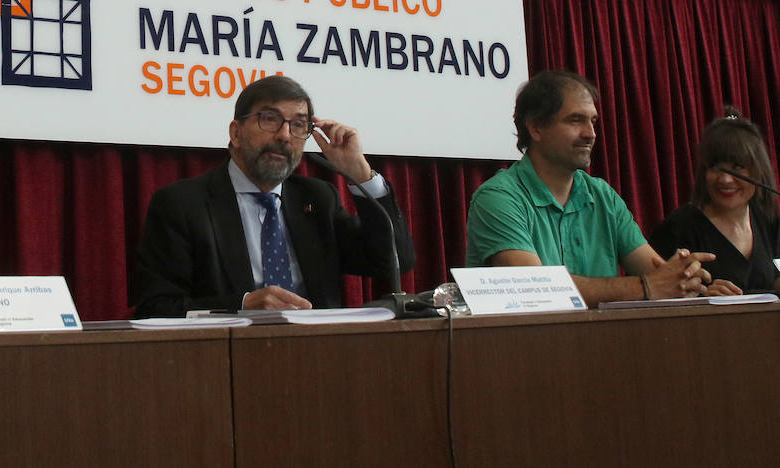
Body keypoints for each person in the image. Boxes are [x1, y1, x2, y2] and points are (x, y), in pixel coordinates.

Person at [133, 74, 414, 318]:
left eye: (298, 125)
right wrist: (241, 306)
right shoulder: (183, 204)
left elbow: (393, 260)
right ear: (236, 133)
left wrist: (360, 173)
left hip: (318, 355)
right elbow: (156, 307)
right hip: (222, 361)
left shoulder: (318, 199)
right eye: (270, 119)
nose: (284, 135)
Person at [465, 70, 717, 306]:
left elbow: (658, 275)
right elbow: (533, 290)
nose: (591, 133)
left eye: (593, 121)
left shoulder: (602, 195)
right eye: (576, 120)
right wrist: (646, 287)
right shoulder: (498, 197)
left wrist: (694, 287)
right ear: (536, 128)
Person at [649, 108, 778, 293]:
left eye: (738, 167)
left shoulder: (768, 219)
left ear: (759, 171)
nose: (725, 179)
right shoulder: (677, 229)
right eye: (715, 168)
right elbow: (652, 296)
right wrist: (701, 299)